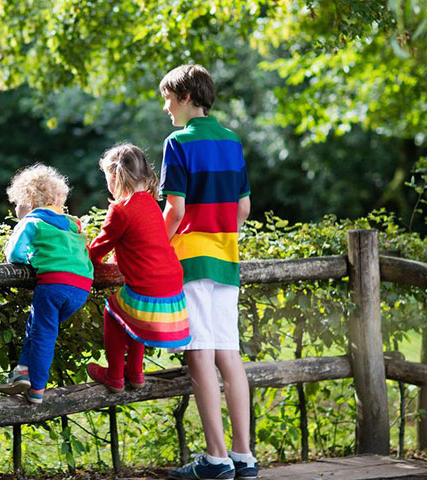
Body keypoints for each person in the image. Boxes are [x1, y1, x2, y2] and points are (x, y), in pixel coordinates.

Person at [159, 64, 257, 480]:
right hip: (226, 258)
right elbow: (244, 208)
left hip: (191, 261)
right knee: (228, 353)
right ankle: (244, 456)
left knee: (199, 351)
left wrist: (157, 246)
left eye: (167, 98)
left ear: (184, 97)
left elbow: (175, 209)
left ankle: (216, 460)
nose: (165, 107)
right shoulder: (232, 141)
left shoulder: (177, 142)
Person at [87, 143, 191, 393]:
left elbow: (98, 247)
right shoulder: (152, 205)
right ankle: (135, 372)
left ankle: (114, 374)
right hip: (173, 284)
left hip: (149, 287)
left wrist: (85, 262)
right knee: (133, 314)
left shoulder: (120, 210)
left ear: (114, 178)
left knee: (113, 311)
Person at [0, 164, 93, 404]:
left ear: (28, 201)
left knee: (42, 335)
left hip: (53, 285)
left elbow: (15, 254)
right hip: (81, 288)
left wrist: (29, 257)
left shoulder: (32, 221)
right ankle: (22, 372)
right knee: (38, 327)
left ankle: (36, 389)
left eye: (17, 203)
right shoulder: (73, 224)